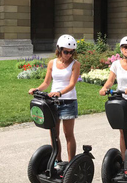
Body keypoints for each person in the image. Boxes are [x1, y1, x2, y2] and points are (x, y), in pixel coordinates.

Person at [28, 34, 81, 166]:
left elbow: (72, 84)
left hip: (68, 101)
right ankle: (57, 161)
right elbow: (46, 82)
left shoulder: (75, 64)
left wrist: (59, 93)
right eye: (66, 52)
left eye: (71, 52)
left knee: (68, 134)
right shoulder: (52, 63)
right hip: (52, 102)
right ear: (59, 49)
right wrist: (37, 89)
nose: (68, 55)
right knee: (54, 134)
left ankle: (71, 163)